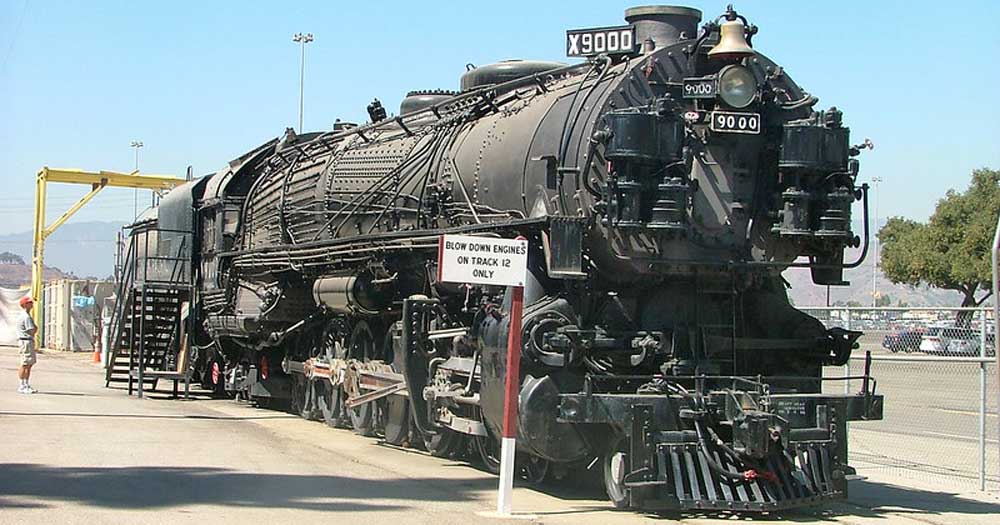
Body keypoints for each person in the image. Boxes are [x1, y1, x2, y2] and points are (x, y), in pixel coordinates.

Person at [16, 296, 38, 394]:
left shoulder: (25, 315)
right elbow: (32, 330)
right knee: (25, 364)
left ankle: (25, 384)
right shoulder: (26, 317)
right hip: (26, 341)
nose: (32, 304)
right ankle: (22, 385)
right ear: (25, 305)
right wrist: (35, 328)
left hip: (26, 341)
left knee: (28, 364)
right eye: (29, 303)